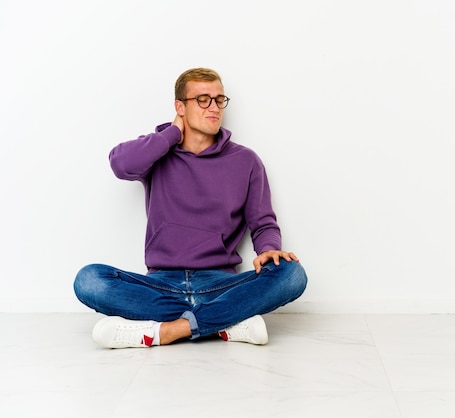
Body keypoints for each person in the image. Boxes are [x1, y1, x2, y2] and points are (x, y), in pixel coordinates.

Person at [74, 68, 308, 349]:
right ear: (180, 107)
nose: (214, 107)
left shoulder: (246, 160)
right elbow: (120, 165)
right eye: (203, 99)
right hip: (162, 285)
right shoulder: (157, 153)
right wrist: (172, 134)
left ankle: (170, 331)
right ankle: (226, 322)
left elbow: (263, 223)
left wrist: (269, 249)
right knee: (89, 279)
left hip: (219, 285)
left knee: (292, 274)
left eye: (219, 99)